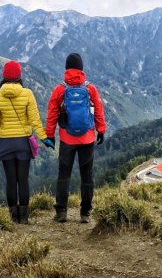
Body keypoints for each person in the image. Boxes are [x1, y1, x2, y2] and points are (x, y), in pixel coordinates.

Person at [0, 60, 55, 224]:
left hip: (5, 142)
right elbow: (35, 120)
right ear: (19, 76)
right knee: (23, 180)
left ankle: (13, 218)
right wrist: (44, 138)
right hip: (23, 143)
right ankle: (24, 218)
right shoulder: (27, 94)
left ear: (4, 76)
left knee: (11, 180)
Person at [46, 53, 107, 223]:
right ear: (81, 68)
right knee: (87, 175)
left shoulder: (60, 89)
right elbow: (99, 110)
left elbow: (52, 113)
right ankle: (85, 213)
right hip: (87, 138)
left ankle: (61, 212)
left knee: (64, 174)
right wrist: (101, 130)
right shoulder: (90, 88)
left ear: (66, 68)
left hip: (67, 139)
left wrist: (50, 134)